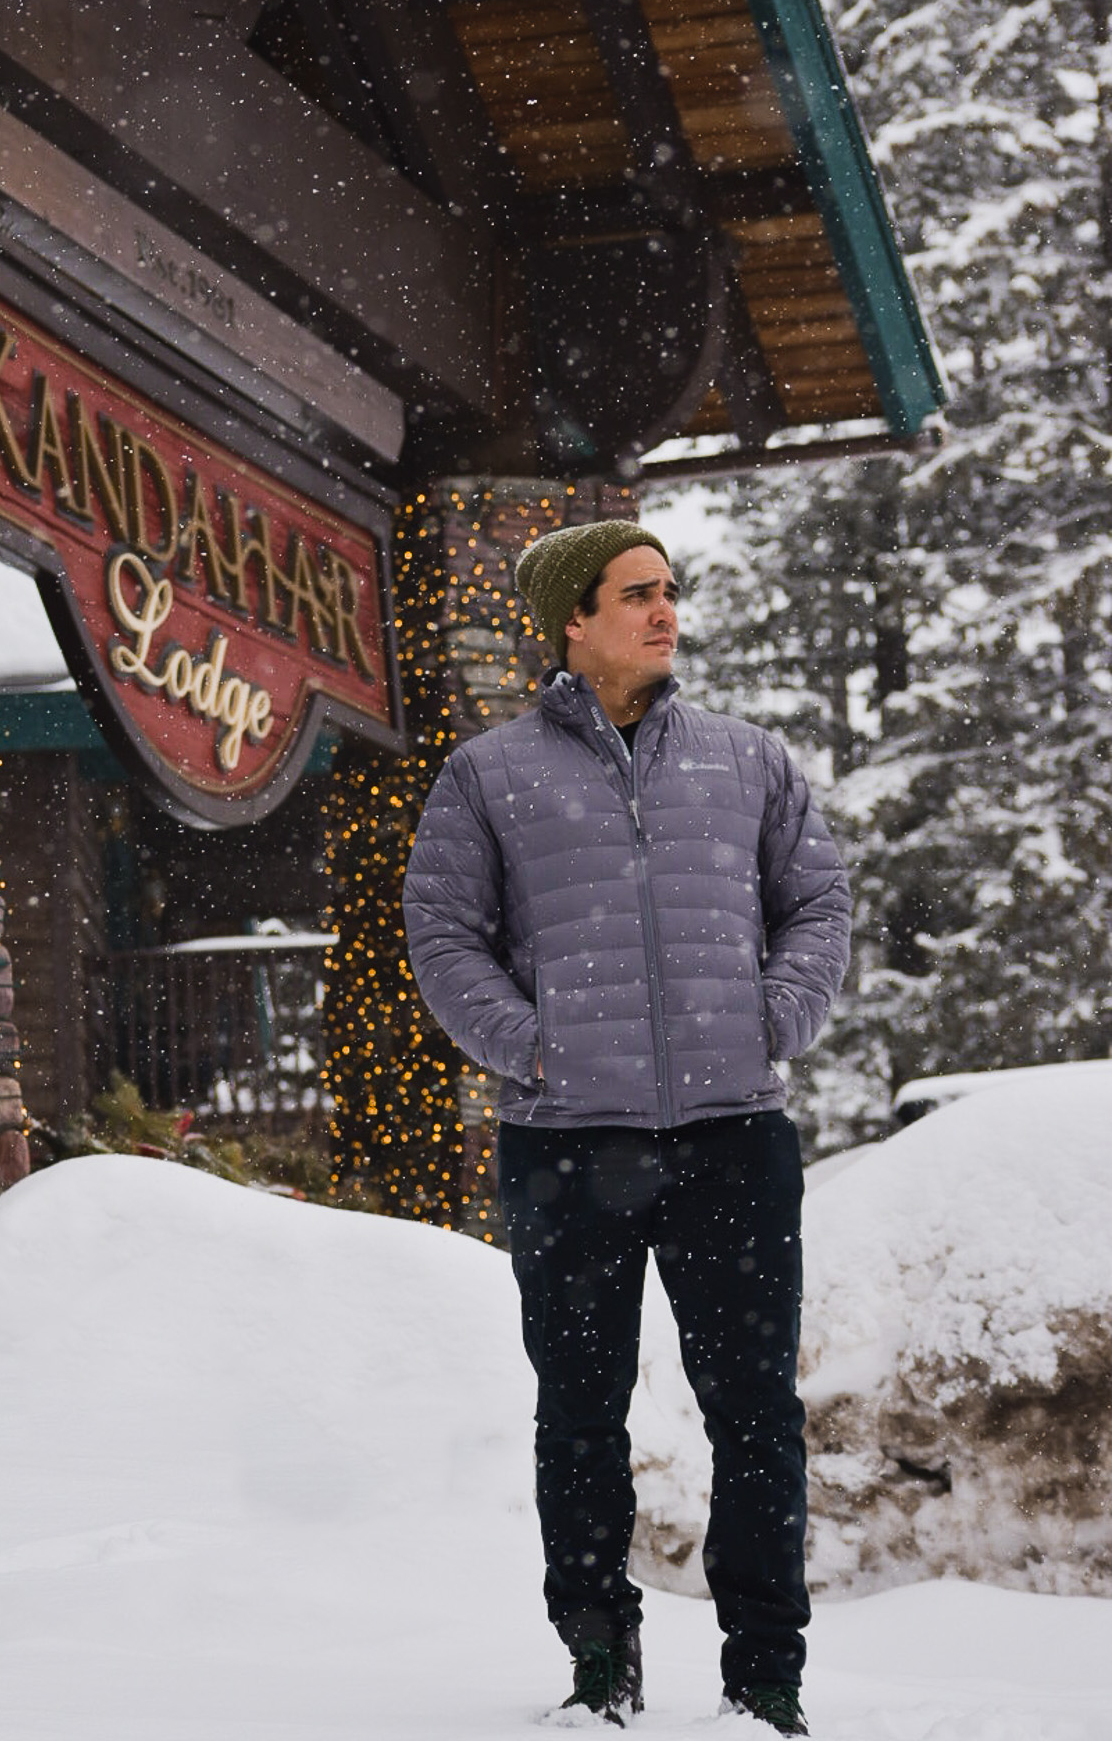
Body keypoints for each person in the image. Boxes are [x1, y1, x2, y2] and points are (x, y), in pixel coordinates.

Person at [403, 520, 850, 1735]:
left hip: (730, 1135)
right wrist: (530, 1043)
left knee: (754, 1409)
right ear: (572, 618)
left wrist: (777, 1012)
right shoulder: (487, 775)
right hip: (565, 1144)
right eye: (635, 593)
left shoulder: (746, 760)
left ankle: (766, 1677)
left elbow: (815, 900)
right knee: (579, 1408)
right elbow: (439, 934)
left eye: (668, 591)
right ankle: (599, 1662)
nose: (663, 611)